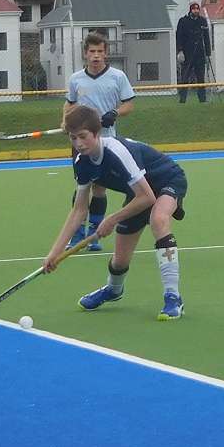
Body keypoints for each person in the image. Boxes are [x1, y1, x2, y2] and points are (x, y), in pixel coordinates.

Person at [43, 103, 188, 321]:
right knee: (120, 260)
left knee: (158, 219)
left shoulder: (116, 152)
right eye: (73, 138)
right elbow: (79, 210)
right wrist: (55, 252)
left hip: (166, 180)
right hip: (138, 192)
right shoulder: (82, 162)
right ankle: (113, 290)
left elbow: (148, 198)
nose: (78, 143)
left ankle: (173, 297)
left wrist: (112, 219)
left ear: (96, 133)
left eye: (83, 136)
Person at [63, 32, 134, 252]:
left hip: (106, 141)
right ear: (85, 53)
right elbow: (69, 104)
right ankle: (76, 234)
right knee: (82, 186)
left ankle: (94, 235)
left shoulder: (117, 76)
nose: (96, 56)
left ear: (106, 53)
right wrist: (65, 121)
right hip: (82, 143)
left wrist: (115, 113)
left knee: (100, 188)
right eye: (92, 51)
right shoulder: (76, 79)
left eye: (100, 51)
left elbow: (129, 104)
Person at [175, 0, 213, 103]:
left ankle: (202, 99)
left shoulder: (202, 21)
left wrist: (208, 54)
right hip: (187, 54)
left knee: (201, 78)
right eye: (194, 9)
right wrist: (180, 51)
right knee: (185, 77)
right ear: (190, 10)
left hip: (200, 54)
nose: (196, 11)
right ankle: (182, 99)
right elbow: (179, 37)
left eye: (197, 9)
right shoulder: (183, 21)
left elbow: (206, 38)